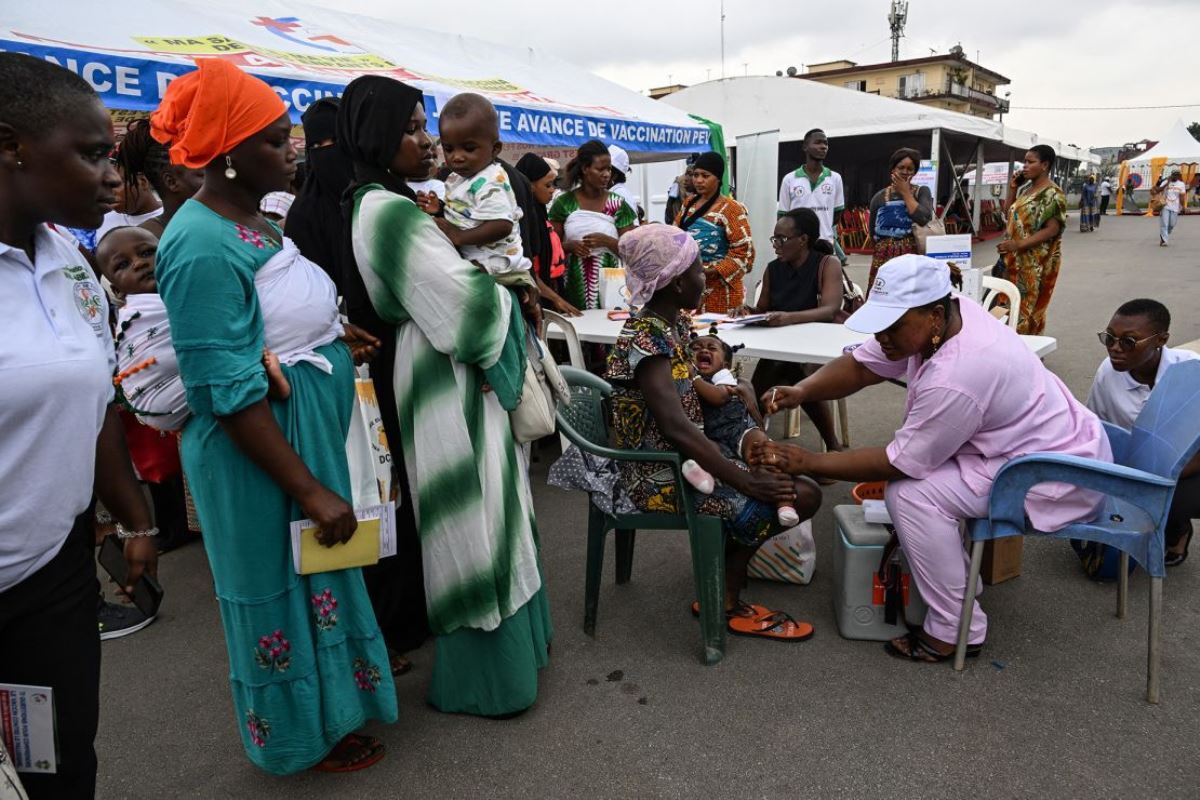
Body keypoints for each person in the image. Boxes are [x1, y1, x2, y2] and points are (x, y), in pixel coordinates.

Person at [150, 58, 396, 774]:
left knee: (320, 575)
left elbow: (263, 324)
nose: (291, 151)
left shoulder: (251, 218)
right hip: (257, 453)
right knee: (276, 592)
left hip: (297, 434)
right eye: (275, 139)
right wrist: (311, 489)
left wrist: (324, 334)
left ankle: (335, 715)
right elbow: (223, 389)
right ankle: (295, 739)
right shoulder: (197, 244)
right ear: (227, 153)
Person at [753, 254, 1111, 663]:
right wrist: (804, 390)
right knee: (919, 484)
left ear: (935, 315)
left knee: (911, 495)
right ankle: (953, 584)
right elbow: (863, 365)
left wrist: (807, 462)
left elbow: (898, 463)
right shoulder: (945, 318)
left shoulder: (960, 373)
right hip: (1038, 442)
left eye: (892, 327)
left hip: (1052, 474)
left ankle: (957, 629)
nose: (882, 336)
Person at [338, 75, 552, 717]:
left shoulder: (403, 201)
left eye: (422, 125)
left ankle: (515, 657)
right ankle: (489, 681)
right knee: (471, 515)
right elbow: (461, 305)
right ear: (377, 136)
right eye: (410, 128)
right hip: (446, 370)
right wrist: (513, 298)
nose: (427, 142)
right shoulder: (387, 209)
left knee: (491, 504)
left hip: (448, 367)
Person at [0, 52, 159, 799]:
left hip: (53, 576)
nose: (113, 178)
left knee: (59, 767)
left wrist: (133, 519)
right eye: (92, 154)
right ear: (11, 146)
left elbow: (93, 398)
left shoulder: (67, 259)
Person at [605, 224, 820, 641]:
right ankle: (724, 595)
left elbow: (698, 401)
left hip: (690, 456)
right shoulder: (645, 337)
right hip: (658, 473)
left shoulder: (676, 326)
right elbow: (675, 426)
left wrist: (750, 436)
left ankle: (722, 581)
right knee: (793, 496)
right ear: (673, 282)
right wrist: (744, 478)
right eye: (699, 271)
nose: (705, 278)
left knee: (798, 488)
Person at [1086, 299, 1199, 565]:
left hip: (1189, 466)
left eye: (1128, 341)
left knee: (1172, 500)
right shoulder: (1107, 373)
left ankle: (1178, 528)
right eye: (1109, 338)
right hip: (1136, 465)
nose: (1115, 348)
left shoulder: (1191, 370)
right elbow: (1095, 427)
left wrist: (1166, 474)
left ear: (1161, 339)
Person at [736, 208, 844, 452]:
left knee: (790, 370)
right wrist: (746, 311)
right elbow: (762, 309)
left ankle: (751, 442)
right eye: (774, 238)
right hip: (782, 346)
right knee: (786, 368)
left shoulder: (828, 263)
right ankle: (832, 447)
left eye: (781, 239)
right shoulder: (774, 269)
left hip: (817, 345)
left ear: (803, 240)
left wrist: (788, 318)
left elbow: (829, 309)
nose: (776, 245)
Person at [682, 330, 806, 528]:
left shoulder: (723, 378)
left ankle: (785, 503)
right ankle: (704, 478)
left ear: (725, 365)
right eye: (696, 348)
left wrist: (694, 377)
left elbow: (718, 397)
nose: (703, 350)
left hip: (740, 430)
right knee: (706, 453)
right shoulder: (684, 380)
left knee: (765, 453)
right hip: (716, 437)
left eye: (711, 348)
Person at [424, 93, 535, 291]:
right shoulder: (456, 177)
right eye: (449, 149)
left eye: (469, 148)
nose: (457, 157)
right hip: (479, 261)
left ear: (495, 149)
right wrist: (440, 208)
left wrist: (459, 236)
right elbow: (464, 212)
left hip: (497, 266)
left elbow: (502, 225)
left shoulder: (492, 181)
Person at [548, 139, 636, 310]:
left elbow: (631, 250)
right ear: (585, 169)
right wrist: (569, 246)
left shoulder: (618, 205)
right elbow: (550, 247)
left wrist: (607, 242)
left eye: (609, 169)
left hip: (612, 288)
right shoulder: (564, 203)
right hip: (572, 285)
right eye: (600, 169)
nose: (606, 174)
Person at [284, 97, 357, 291]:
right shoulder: (304, 214)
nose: (326, 152)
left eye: (335, 140)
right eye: (316, 146)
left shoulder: (375, 194)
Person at [673, 150, 755, 314]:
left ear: (718, 178)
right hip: (690, 287)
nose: (698, 180)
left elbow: (744, 253)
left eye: (705, 175)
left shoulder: (732, 209)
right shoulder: (688, 204)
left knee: (718, 337)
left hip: (722, 291)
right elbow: (675, 237)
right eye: (696, 175)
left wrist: (708, 271)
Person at [996, 145, 1066, 335]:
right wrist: (1013, 188)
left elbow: (1053, 229)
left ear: (1044, 165)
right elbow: (1008, 214)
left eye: (1030, 162)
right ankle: (1009, 348)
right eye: (1024, 162)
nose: (1024, 166)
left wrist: (1018, 244)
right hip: (1013, 260)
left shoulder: (1052, 193)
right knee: (1006, 303)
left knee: (1027, 310)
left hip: (1035, 263)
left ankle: (1027, 353)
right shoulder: (1027, 189)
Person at [114, 118, 204, 239]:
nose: (212, 182)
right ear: (171, 182)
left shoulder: (220, 220)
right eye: (202, 175)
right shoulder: (143, 240)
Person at [515, 151, 579, 316]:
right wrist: (556, 299)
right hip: (537, 296)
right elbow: (528, 270)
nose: (553, 190)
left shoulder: (541, 215)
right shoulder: (525, 220)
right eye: (548, 185)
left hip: (550, 290)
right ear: (529, 186)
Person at [866, 147, 935, 289]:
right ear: (893, 169)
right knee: (884, 294)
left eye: (910, 169)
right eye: (901, 167)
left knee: (910, 296)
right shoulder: (879, 197)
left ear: (915, 171)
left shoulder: (922, 192)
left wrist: (905, 192)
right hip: (883, 257)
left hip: (912, 256)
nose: (905, 172)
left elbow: (923, 218)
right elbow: (872, 233)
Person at [778, 128, 848, 265]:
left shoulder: (835, 178)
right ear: (805, 146)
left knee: (823, 283)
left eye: (825, 144)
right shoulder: (789, 179)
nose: (823, 147)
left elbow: (837, 214)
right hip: (797, 246)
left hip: (824, 245)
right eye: (818, 143)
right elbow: (782, 216)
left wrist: (822, 228)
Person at [607, 144, 641, 224]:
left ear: (614, 176)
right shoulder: (611, 192)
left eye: (606, 169)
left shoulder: (620, 194)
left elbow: (631, 230)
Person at [1156, 169, 1186, 246]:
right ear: (1171, 175)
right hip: (1165, 205)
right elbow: (1158, 190)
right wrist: (1167, 183)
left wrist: (1183, 207)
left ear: (1179, 176)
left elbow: (1182, 196)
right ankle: (1164, 240)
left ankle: (1164, 234)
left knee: (1172, 224)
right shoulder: (1165, 182)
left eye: (1177, 175)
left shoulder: (1181, 184)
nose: (1175, 176)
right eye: (1174, 175)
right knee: (1164, 224)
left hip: (1175, 207)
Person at [664, 159, 695, 225]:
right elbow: (670, 200)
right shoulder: (678, 181)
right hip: (678, 220)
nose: (686, 178)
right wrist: (670, 221)